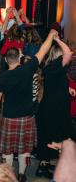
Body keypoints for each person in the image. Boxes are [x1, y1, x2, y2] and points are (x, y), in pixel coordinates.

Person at [0, 29, 58, 182]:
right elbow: (43, 51)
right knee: (24, 149)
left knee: (7, 151)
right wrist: (50, 36)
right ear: (20, 57)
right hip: (27, 117)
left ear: (7, 60)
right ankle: (22, 175)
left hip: (9, 117)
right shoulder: (28, 69)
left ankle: (9, 176)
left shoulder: (1, 77)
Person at [36, 38, 75, 178]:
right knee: (52, 138)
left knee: (51, 137)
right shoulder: (55, 67)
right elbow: (69, 53)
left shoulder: (55, 68)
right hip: (53, 111)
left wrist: (68, 89)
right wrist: (56, 38)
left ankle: (45, 164)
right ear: (59, 56)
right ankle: (42, 167)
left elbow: (57, 84)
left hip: (53, 109)